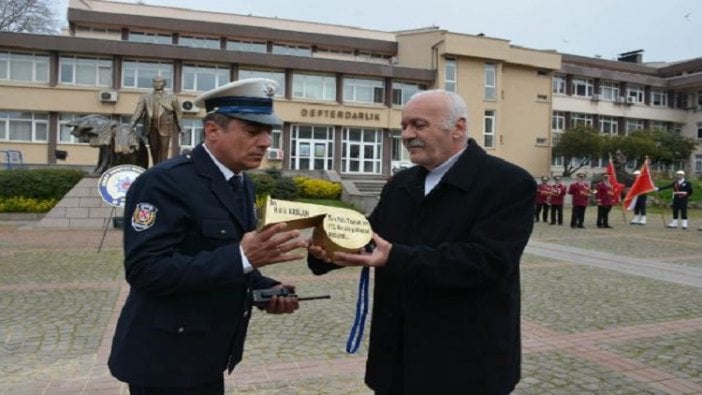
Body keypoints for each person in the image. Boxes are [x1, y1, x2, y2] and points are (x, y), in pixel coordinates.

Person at [307, 89, 536, 394]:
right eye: (403, 126)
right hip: (397, 359)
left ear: (458, 128)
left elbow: (487, 261)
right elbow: (369, 239)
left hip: (466, 363)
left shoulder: (507, 183)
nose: (407, 135)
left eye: (418, 125)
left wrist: (395, 257)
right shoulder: (401, 184)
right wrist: (326, 249)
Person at [109, 78, 309, 394]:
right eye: (252, 131)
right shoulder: (163, 183)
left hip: (207, 354)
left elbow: (228, 255)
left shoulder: (241, 183)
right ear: (213, 131)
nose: (266, 142)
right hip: (165, 360)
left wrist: (264, 288)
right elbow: (146, 270)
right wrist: (242, 257)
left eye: (269, 132)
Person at [130, 75, 183, 166]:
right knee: (153, 149)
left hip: (165, 126)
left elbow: (178, 113)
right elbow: (138, 111)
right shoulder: (145, 96)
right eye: (155, 82)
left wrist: (181, 127)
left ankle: (162, 169)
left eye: (160, 82)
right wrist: (132, 123)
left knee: (163, 150)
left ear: (164, 83)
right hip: (150, 126)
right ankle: (155, 167)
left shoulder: (171, 96)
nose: (157, 84)